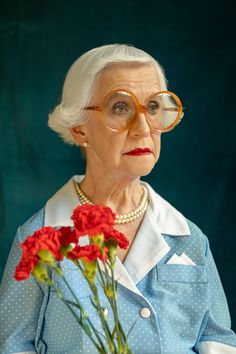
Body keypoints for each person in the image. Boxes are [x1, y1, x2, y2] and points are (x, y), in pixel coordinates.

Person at [0, 44, 236, 354]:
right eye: (120, 107)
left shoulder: (191, 240)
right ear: (80, 128)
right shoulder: (36, 241)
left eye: (153, 107)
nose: (142, 129)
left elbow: (218, 340)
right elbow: (12, 346)